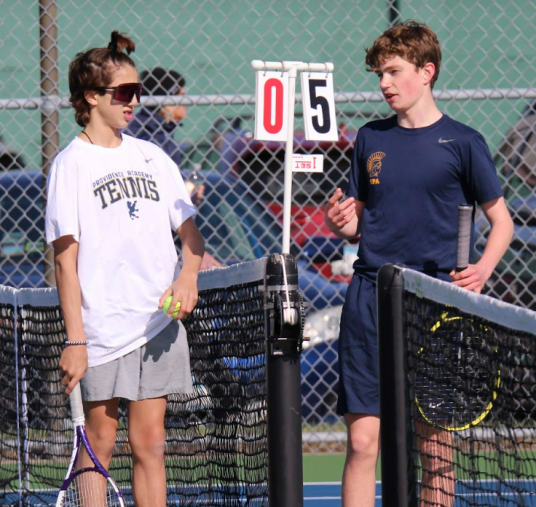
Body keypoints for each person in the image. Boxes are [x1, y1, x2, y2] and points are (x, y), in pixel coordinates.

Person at [324, 21, 514, 507]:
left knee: (436, 447)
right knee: (364, 442)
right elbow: (359, 224)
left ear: (426, 72)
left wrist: (483, 270)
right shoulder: (369, 138)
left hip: (434, 304)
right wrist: (340, 222)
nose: (384, 83)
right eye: (379, 74)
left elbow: (502, 223)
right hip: (369, 298)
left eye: (393, 71)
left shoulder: (464, 142)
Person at [45, 31, 205, 507]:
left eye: (138, 91)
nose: (135, 101)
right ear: (92, 97)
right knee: (100, 444)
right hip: (102, 330)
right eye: (125, 92)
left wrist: (188, 276)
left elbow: (191, 239)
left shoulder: (153, 157)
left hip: (156, 321)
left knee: (150, 442)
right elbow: (65, 262)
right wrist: (76, 340)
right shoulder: (70, 166)